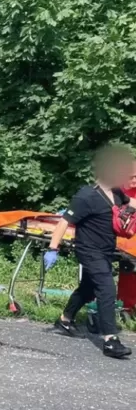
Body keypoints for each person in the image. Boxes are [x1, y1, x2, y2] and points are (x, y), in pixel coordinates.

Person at [46, 144, 134, 359]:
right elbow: (64, 222)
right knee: (106, 289)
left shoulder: (116, 193)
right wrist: (52, 249)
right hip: (88, 250)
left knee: (88, 289)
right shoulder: (86, 196)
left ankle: (64, 321)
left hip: (105, 250)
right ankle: (110, 340)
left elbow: (131, 203)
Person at [117, 166, 136, 311]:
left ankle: (129, 306)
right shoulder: (116, 191)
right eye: (131, 176)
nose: (134, 180)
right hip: (117, 239)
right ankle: (125, 306)